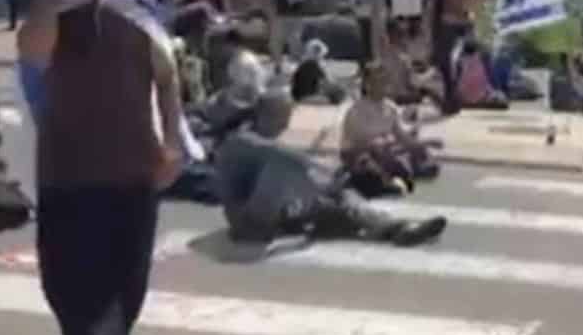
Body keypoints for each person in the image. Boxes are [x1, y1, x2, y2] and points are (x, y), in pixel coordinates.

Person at [16, 0, 186, 335]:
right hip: (66, 164)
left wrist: (174, 138)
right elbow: (32, 54)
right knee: (68, 281)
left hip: (133, 159)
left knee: (126, 278)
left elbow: (166, 74)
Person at [215, 92, 445, 248]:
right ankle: (331, 211)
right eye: (282, 118)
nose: (284, 125)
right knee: (287, 169)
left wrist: (332, 184)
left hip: (276, 214)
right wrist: (328, 176)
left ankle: (397, 229)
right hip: (247, 223)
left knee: (342, 199)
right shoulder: (241, 139)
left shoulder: (259, 139)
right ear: (266, 115)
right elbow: (288, 158)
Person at [340, 63, 440, 196]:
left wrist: (425, 143)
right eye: (378, 82)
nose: (383, 85)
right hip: (359, 154)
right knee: (371, 162)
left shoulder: (389, 108)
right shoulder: (356, 111)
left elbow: (403, 138)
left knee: (414, 161)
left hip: (384, 152)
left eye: (385, 81)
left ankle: (395, 177)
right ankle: (375, 180)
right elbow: (363, 143)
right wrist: (388, 146)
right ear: (367, 85)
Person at [453, 39, 509, 110]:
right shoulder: (483, 59)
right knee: (499, 95)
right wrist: (498, 89)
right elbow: (492, 77)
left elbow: (456, 79)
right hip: (482, 95)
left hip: (464, 95)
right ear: (476, 49)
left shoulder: (459, 61)